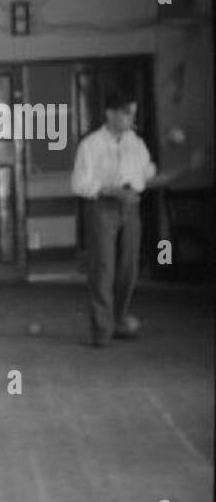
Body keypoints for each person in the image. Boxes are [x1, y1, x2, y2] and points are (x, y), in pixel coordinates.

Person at [70, 87, 186, 346]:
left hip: (130, 207)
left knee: (128, 269)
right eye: (125, 113)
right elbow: (78, 184)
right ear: (109, 114)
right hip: (101, 207)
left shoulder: (136, 143)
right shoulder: (91, 145)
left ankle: (118, 319)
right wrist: (112, 191)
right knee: (103, 268)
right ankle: (102, 331)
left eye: (132, 113)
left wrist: (182, 171)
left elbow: (147, 176)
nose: (130, 118)